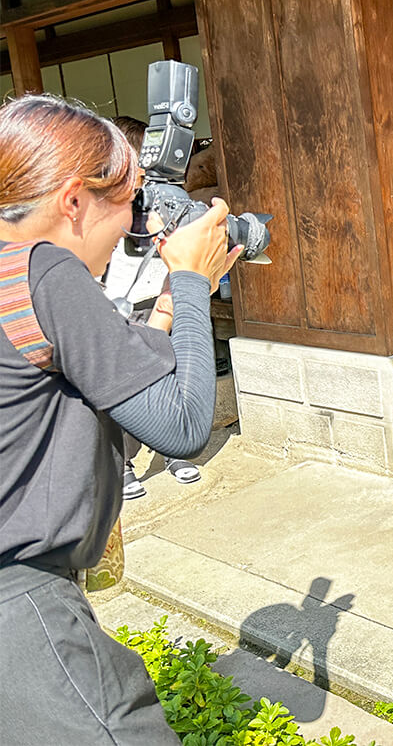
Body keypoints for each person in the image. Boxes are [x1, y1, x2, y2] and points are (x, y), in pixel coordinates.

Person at [0, 94, 239, 742]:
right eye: (129, 203)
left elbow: (99, 386)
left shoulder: (11, 276)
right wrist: (191, 282)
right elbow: (184, 427)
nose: (138, 224)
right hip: (24, 612)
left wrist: (167, 306)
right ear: (73, 201)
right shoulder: (44, 270)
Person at [109, 115, 203, 497]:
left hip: (162, 295)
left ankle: (174, 450)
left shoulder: (164, 201)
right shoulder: (111, 208)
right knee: (126, 386)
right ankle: (124, 462)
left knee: (170, 376)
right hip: (121, 304)